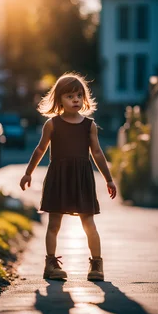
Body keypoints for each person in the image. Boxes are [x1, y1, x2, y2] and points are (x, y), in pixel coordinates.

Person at [20, 73, 116, 281]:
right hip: (58, 178)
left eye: (79, 95)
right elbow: (40, 150)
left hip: (82, 179)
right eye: (70, 96)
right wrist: (28, 173)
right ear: (59, 100)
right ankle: (51, 263)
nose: (75, 100)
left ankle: (96, 264)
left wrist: (108, 179)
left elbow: (97, 153)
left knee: (89, 223)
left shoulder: (89, 125)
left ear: (84, 98)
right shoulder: (52, 125)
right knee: (54, 224)